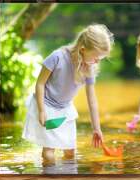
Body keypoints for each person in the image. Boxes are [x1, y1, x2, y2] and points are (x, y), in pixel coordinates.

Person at [23, 24, 114, 165]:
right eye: (96, 58)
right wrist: (41, 111)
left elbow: (92, 101)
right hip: (47, 106)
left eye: (100, 59)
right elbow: (40, 84)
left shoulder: (88, 68)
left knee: (70, 151)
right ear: (83, 50)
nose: (97, 62)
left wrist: (96, 128)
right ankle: (49, 179)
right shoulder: (57, 57)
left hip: (65, 109)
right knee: (49, 151)